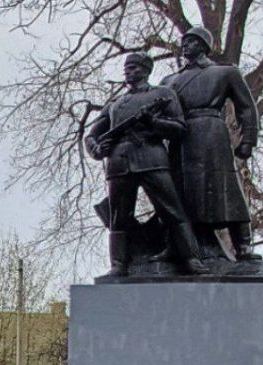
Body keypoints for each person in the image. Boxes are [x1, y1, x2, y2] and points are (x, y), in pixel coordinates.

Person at [84, 52, 208, 276]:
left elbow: (179, 128)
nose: (128, 71)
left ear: (145, 70)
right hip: (119, 163)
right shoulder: (115, 104)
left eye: (132, 67)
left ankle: (191, 258)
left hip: (151, 158)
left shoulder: (162, 94)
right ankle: (119, 264)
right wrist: (96, 149)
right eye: (126, 67)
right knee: (118, 217)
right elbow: (92, 135)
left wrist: (153, 121)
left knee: (172, 210)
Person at [161, 27, 261, 260]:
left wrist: (248, 139)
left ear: (204, 45)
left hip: (211, 133)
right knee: (180, 192)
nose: (185, 45)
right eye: (184, 42)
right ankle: (181, 245)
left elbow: (246, 107)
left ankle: (242, 245)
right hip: (180, 137)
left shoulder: (225, 72)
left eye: (192, 41)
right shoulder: (169, 81)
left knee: (226, 188)